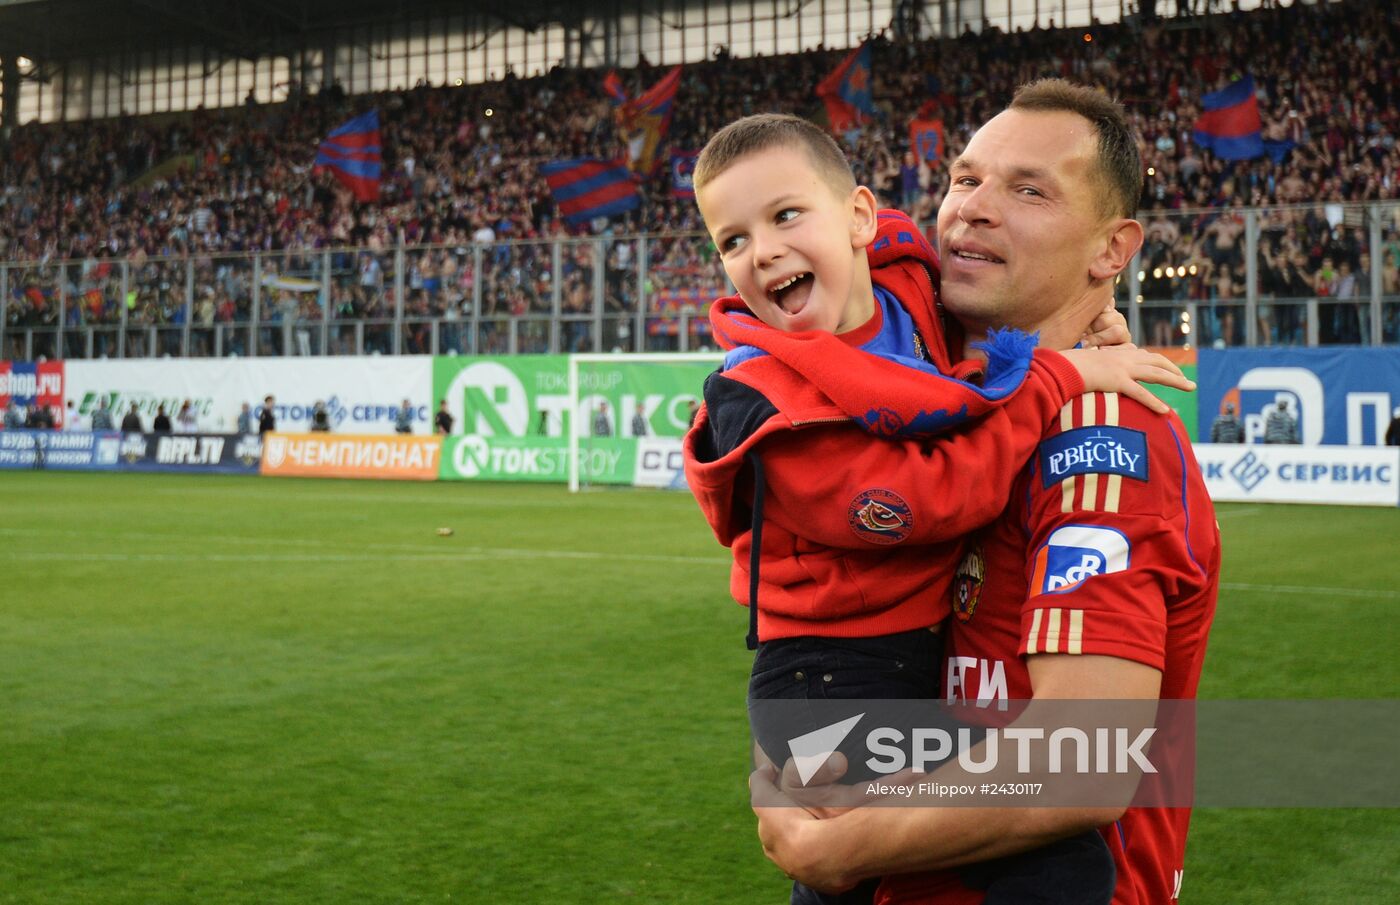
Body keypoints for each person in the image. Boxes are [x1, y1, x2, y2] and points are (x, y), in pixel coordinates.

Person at [685, 111, 1188, 905]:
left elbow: (1080, 760)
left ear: (1111, 249)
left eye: (1028, 189)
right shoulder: (912, 361)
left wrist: (831, 843)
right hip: (841, 687)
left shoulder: (1099, 440)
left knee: (1059, 872)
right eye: (962, 179)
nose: (975, 206)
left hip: (906, 763)